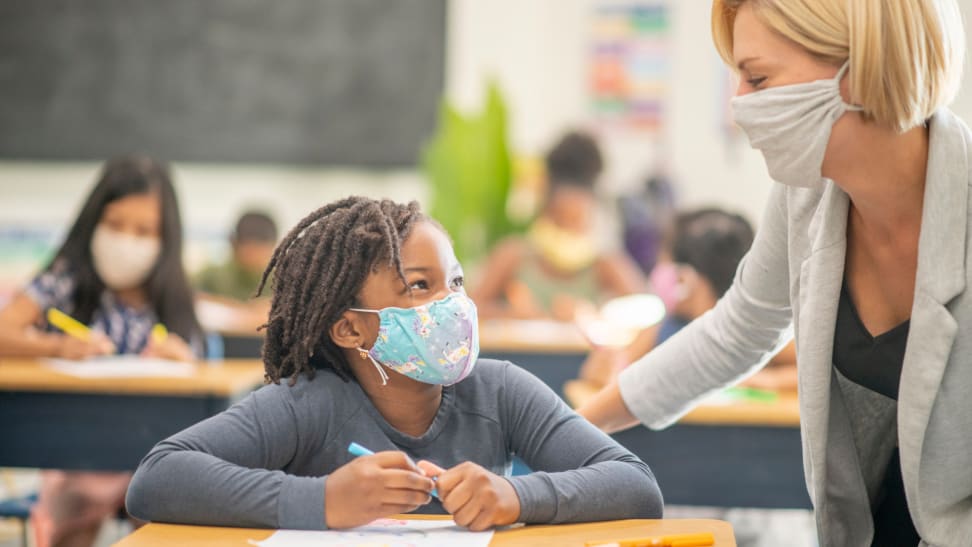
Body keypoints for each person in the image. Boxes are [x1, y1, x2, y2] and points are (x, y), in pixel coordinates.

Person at [578, 0, 969, 545]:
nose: (739, 104)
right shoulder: (806, 195)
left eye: (757, 78)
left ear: (855, 72)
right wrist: (571, 433)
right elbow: (737, 330)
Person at [125, 197, 663, 531]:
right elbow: (156, 480)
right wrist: (324, 500)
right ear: (350, 327)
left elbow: (636, 487)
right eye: (419, 287)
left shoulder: (499, 391)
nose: (451, 303)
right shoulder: (311, 402)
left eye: (455, 282)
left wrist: (515, 495)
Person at [0, 154, 204, 547]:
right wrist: (58, 346)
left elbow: (197, 367)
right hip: (76, 453)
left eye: (144, 231)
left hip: (154, 452)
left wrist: (180, 359)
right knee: (73, 521)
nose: (127, 240)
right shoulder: (67, 278)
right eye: (114, 225)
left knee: (162, 518)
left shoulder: (172, 294)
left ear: (166, 237)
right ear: (93, 223)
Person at [581, 207, 796, 390]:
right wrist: (605, 369)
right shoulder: (663, 332)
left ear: (685, 279)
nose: (659, 274)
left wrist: (767, 380)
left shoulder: (759, 332)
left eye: (666, 263)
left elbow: (814, 371)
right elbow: (609, 373)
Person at [472, 131, 646, 321]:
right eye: (560, 220)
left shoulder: (604, 264)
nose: (568, 229)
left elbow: (646, 311)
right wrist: (509, 314)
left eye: (577, 221)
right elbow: (469, 308)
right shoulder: (514, 256)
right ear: (543, 213)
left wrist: (593, 314)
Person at [194, 211, 277, 334]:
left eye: (259, 251)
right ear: (234, 244)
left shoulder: (282, 279)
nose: (254, 258)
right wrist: (245, 312)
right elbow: (189, 298)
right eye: (249, 251)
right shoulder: (212, 275)